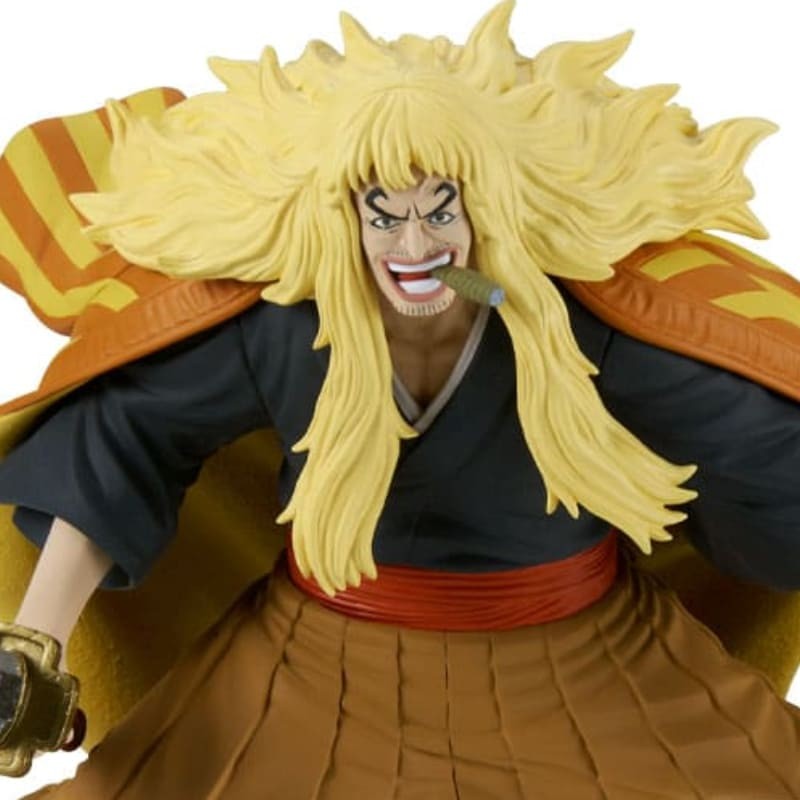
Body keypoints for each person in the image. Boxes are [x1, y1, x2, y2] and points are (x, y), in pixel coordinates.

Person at [1, 2, 799, 796]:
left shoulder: (568, 325)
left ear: (486, 208)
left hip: (584, 658)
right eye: (383, 216)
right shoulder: (284, 326)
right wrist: (32, 647)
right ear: (340, 217)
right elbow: (121, 443)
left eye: (440, 211)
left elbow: (754, 441)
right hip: (315, 669)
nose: (415, 246)